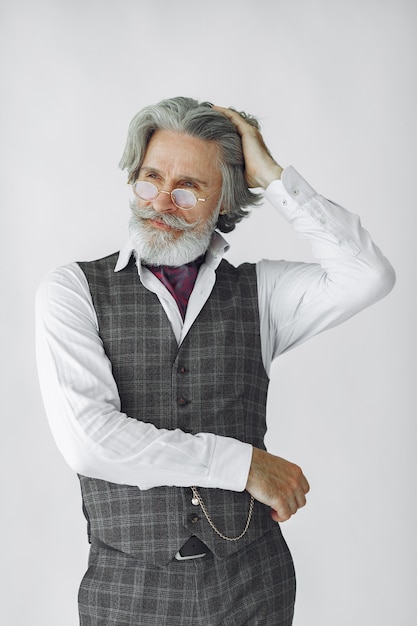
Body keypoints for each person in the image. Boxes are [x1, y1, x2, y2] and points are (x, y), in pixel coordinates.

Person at [35, 97, 395, 625]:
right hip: (127, 594)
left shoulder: (261, 293)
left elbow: (368, 276)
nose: (162, 201)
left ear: (223, 199)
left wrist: (271, 176)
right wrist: (245, 465)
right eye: (150, 178)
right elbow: (91, 441)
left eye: (188, 187)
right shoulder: (73, 291)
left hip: (253, 587)